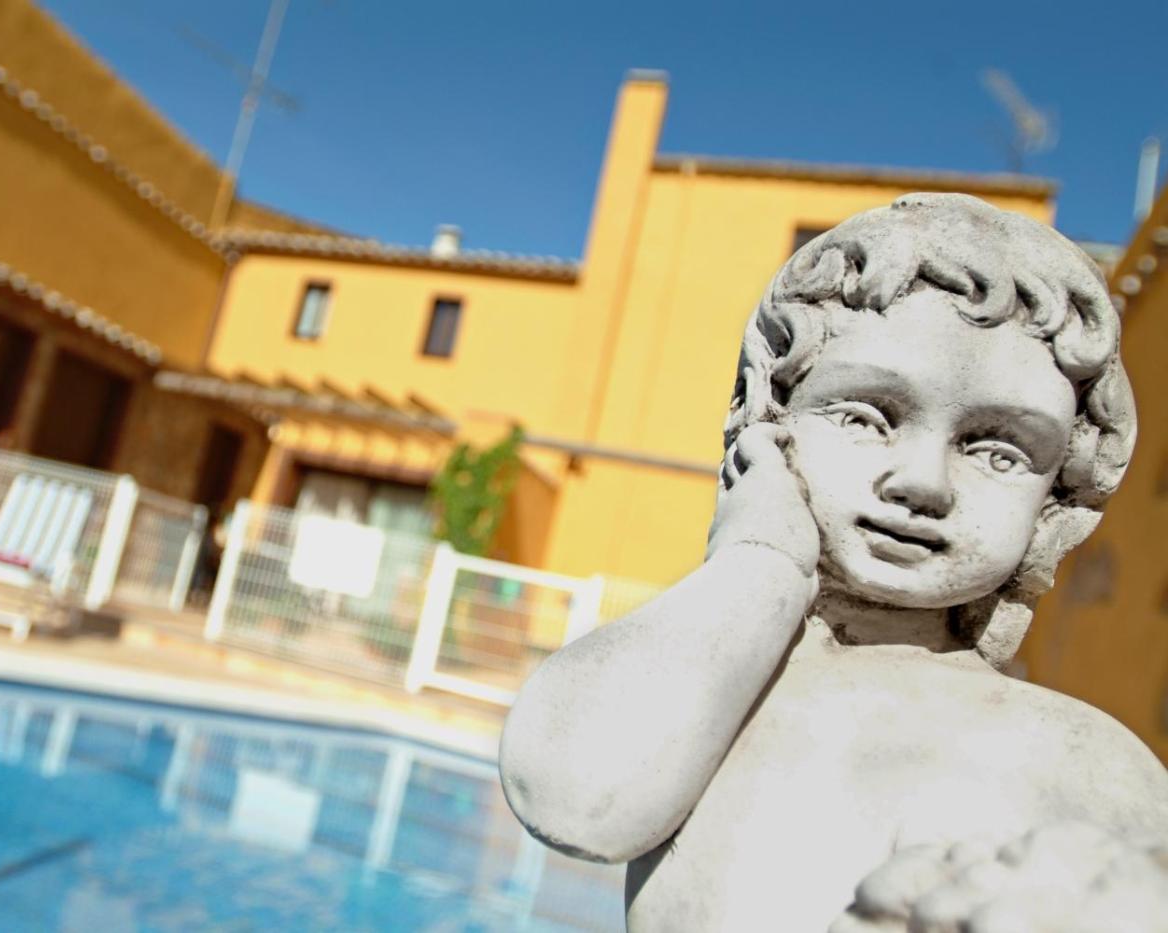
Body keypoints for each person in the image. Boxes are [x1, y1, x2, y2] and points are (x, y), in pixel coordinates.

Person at [498, 193, 1168, 930]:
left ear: (1055, 503)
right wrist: (762, 556)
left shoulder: (1085, 764)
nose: (922, 482)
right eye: (865, 417)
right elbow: (573, 800)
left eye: (999, 452)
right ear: (766, 417)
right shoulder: (707, 684)